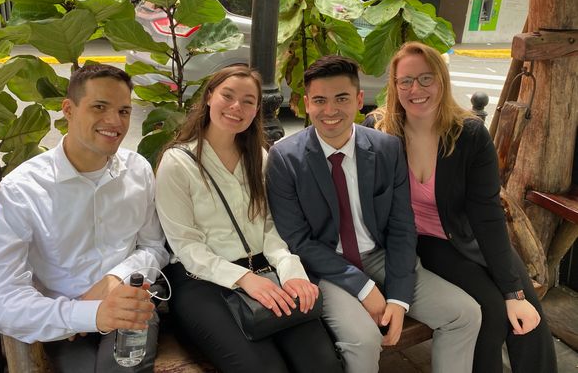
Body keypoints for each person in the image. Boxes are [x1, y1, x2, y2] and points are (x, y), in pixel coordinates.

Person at [266, 55, 482, 373]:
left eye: (341, 98)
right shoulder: (284, 158)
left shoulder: (385, 148)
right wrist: (364, 288)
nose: (330, 111)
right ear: (306, 104)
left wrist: (398, 298)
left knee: (465, 313)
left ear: (359, 99)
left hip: (379, 255)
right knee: (364, 341)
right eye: (320, 100)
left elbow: (400, 225)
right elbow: (298, 241)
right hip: (324, 266)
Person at [365, 41, 557, 373]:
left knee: (528, 313)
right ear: (394, 86)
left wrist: (514, 290)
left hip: (470, 234)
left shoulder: (468, 134)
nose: (416, 89)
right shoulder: (380, 131)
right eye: (406, 80)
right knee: (493, 311)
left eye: (426, 78)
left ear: (442, 80)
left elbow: (487, 213)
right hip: (425, 242)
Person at [0, 64, 169, 373]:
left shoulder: (137, 170)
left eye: (124, 111)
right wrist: (89, 313)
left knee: (122, 366)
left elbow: (154, 248)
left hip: (129, 301)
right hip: (62, 317)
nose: (114, 121)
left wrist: (113, 279)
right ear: (68, 109)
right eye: (99, 107)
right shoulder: (23, 189)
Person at [155, 66, 342, 373]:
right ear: (209, 96)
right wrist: (243, 279)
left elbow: (271, 226)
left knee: (321, 364)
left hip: (264, 270)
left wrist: (291, 272)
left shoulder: (260, 157)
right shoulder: (178, 163)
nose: (235, 107)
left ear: (257, 109)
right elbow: (186, 246)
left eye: (247, 101)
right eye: (227, 96)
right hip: (202, 282)